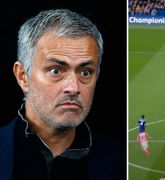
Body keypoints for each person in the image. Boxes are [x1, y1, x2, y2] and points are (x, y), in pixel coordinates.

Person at [0, 9, 122, 180]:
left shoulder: (119, 162)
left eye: (85, 72)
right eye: (56, 70)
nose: (73, 88)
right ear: (23, 77)